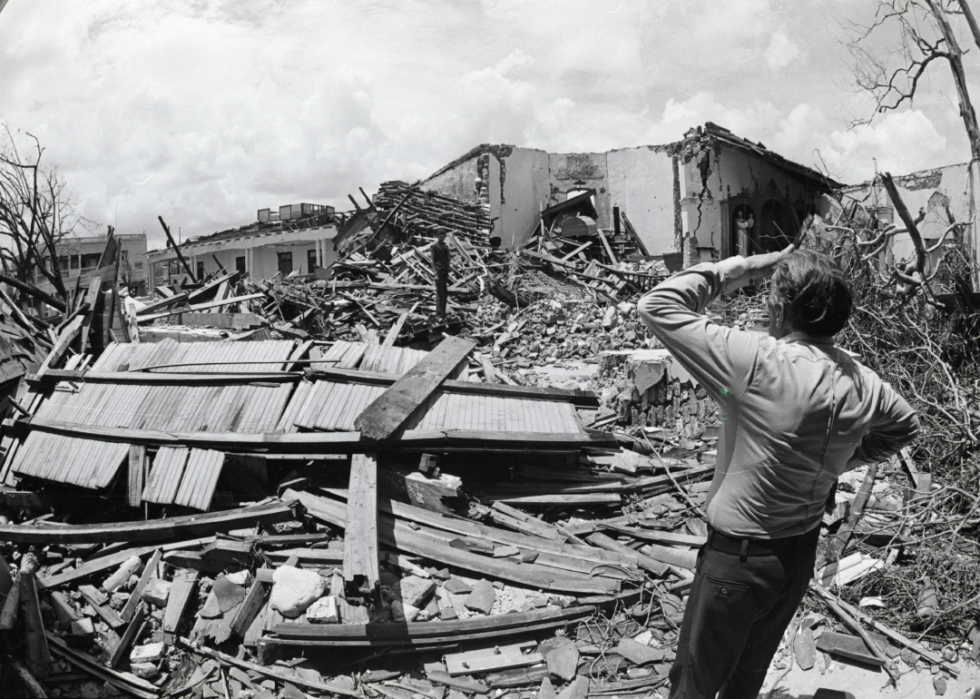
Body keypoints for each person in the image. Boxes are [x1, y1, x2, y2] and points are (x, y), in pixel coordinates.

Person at [636, 247, 919, 699]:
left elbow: (656, 305)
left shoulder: (756, 361)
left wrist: (740, 269)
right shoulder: (862, 380)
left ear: (782, 306)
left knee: (694, 683)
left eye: (770, 294)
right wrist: (843, 462)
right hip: (795, 559)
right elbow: (906, 425)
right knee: (744, 679)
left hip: (737, 563)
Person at [431, 231, 451, 317]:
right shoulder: (434, 246)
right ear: (437, 236)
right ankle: (439, 314)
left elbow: (449, 259)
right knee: (440, 293)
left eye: (443, 237)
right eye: (440, 236)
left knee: (445, 292)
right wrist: (434, 273)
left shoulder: (445, 246)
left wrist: (448, 250)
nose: (442, 238)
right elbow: (431, 260)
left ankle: (443, 313)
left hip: (445, 271)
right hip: (438, 271)